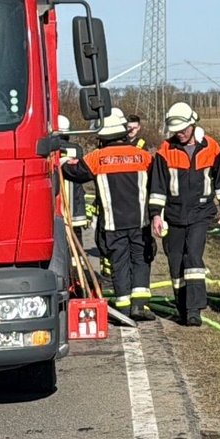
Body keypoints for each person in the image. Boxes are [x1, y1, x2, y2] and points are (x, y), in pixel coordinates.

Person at [60, 109, 169, 321]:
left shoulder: (97, 158)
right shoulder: (144, 156)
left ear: (102, 136)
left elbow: (74, 174)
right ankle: (140, 306)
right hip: (140, 222)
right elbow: (158, 183)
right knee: (140, 260)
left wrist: (62, 161)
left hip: (112, 223)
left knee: (119, 262)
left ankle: (123, 306)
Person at [154, 101, 220, 326]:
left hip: (200, 212)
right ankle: (182, 304)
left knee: (193, 258)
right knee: (176, 260)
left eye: (183, 130)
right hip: (173, 214)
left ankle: (194, 309)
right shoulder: (164, 151)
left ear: (193, 124)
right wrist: (156, 215)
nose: (179, 134)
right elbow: (158, 187)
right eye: (175, 131)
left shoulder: (212, 148)